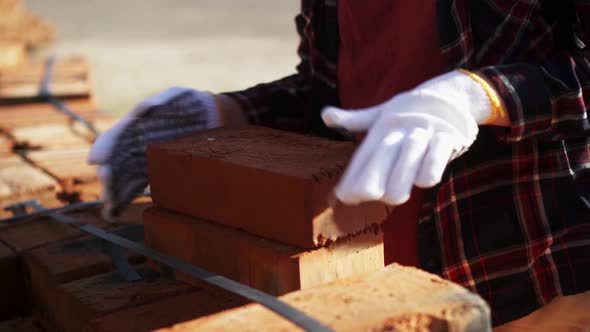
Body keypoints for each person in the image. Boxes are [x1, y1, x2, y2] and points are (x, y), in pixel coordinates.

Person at [88, 1, 590, 329]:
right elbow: (329, 100)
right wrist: (227, 112)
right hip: (377, 283)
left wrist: (481, 97)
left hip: (527, 283)